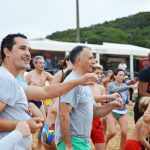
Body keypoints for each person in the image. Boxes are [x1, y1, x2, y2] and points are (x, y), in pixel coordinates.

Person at [0, 34, 98, 150]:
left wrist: (78, 81)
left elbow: (44, 91)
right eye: (22, 48)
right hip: (52, 125)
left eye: (29, 49)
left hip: (44, 125)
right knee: (48, 145)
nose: (28, 54)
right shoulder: (6, 79)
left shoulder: (16, 80)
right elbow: (58, 109)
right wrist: (23, 124)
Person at [55, 46, 122, 150]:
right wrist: (68, 145)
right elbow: (63, 114)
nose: (94, 61)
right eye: (90, 58)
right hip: (73, 141)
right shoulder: (72, 81)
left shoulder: (83, 82)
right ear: (79, 61)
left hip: (81, 141)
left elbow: (94, 112)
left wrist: (112, 105)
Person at [106, 69, 134, 150]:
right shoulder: (111, 85)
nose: (122, 77)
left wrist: (130, 102)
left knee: (124, 133)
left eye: (123, 75)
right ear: (115, 76)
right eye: (120, 75)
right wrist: (128, 86)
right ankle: (104, 144)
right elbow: (116, 90)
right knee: (112, 132)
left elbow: (127, 99)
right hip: (111, 110)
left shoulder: (124, 85)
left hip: (123, 111)